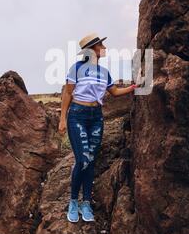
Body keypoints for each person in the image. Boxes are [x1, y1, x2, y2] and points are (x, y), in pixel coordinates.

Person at [58, 33, 138, 223]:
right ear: (92, 49)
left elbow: (115, 92)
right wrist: (62, 119)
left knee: (91, 161)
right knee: (82, 159)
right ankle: (73, 202)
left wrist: (134, 87)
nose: (104, 47)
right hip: (77, 115)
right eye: (101, 44)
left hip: (96, 118)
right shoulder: (76, 69)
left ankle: (86, 202)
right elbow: (67, 94)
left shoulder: (104, 72)